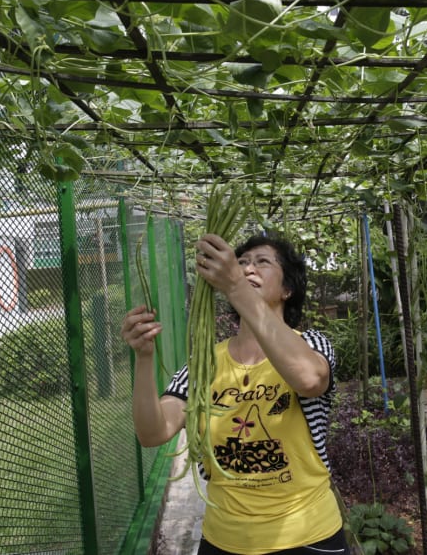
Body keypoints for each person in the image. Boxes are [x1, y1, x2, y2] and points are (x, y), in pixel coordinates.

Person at [121, 232, 349, 555]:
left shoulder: (311, 344)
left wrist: (236, 286)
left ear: (287, 289)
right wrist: (143, 359)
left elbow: (309, 379)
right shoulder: (204, 364)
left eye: (262, 262)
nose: (247, 269)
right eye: (241, 263)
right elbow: (152, 431)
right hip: (223, 541)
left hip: (307, 537)